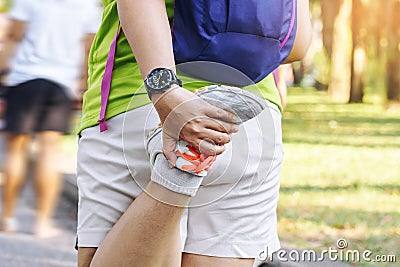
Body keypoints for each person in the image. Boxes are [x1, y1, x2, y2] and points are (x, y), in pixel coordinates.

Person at [77, 0, 312, 267]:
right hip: (250, 119)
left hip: (147, 105)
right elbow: (297, 43)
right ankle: (188, 164)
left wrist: (165, 93)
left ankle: (178, 172)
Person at [0, 0, 101, 237]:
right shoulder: (88, 6)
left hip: (25, 78)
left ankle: (7, 217)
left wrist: (3, 71)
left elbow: (13, 37)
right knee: (49, 150)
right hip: (62, 84)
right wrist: (84, 84)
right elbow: (89, 49)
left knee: (16, 149)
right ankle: (42, 223)